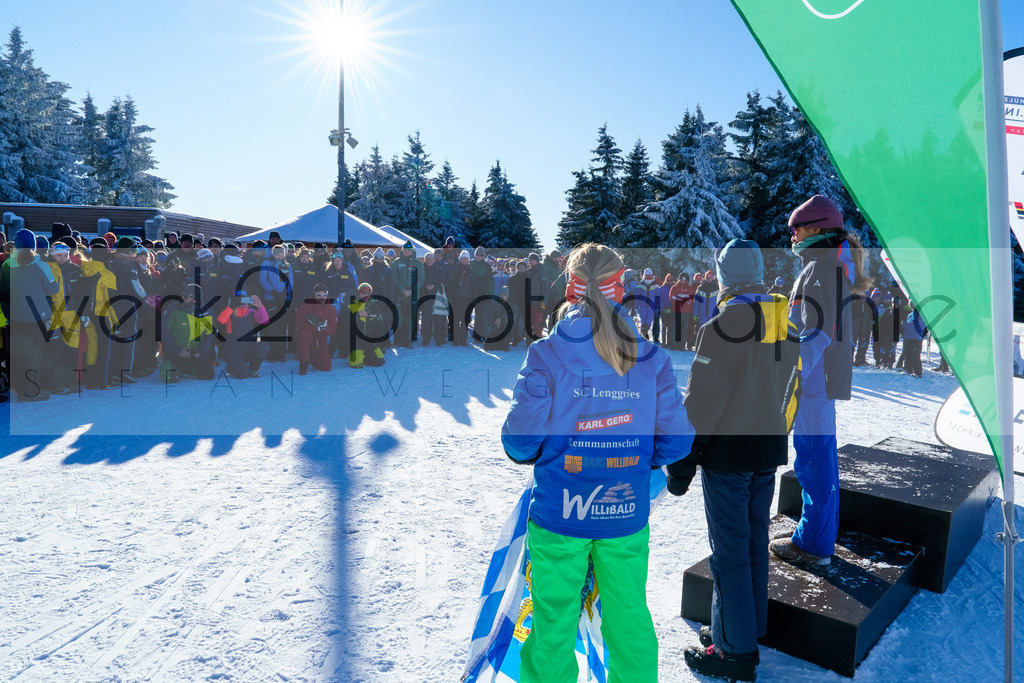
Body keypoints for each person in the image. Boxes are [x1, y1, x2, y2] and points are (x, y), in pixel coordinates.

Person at [501, 242, 694, 683]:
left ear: (571, 288)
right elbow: (677, 441)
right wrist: (638, 461)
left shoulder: (547, 354)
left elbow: (519, 443)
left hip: (559, 514)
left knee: (552, 624)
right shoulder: (651, 358)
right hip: (624, 514)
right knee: (629, 619)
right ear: (620, 287)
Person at [667, 240, 801, 683]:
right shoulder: (783, 320)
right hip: (765, 451)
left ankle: (735, 651)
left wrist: (682, 466)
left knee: (730, 553)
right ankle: (742, 627)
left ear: (724, 276)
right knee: (750, 544)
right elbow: (787, 392)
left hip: (730, 457)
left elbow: (703, 403)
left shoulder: (725, 323)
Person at [770, 195, 871, 566]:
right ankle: (814, 535)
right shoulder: (828, 265)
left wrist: (790, 379)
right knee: (816, 457)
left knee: (814, 461)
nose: (793, 235)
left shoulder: (820, 269)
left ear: (816, 229)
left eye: (797, 228)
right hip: (819, 377)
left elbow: (814, 334)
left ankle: (814, 543)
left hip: (813, 379)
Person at [216, 290, 270, 379]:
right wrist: (232, 306)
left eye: (245, 299)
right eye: (240, 299)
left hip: (248, 347)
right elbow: (221, 320)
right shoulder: (230, 311)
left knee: (263, 346)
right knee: (242, 375)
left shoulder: (250, 311)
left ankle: (253, 369)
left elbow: (265, 321)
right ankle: (233, 366)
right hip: (233, 349)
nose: (242, 302)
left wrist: (260, 306)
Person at [294, 283, 338, 375]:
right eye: (319, 295)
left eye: (324, 295)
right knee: (304, 336)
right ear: (314, 294)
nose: (322, 298)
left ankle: (311, 358)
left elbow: (333, 330)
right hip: (307, 336)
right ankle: (303, 362)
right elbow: (298, 325)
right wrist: (315, 327)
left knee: (326, 367)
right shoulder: (305, 305)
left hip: (320, 339)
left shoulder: (331, 309)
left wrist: (325, 327)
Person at [349, 282, 387, 367]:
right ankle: (357, 354)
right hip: (356, 340)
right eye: (363, 293)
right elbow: (345, 322)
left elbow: (381, 325)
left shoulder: (374, 307)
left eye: (368, 293)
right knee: (355, 363)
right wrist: (357, 313)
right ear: (359, 293)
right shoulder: (353, 304)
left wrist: (375, 339)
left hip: (369, 340)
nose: (365, 295)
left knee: (380, 361)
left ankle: (366, 356)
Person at [901, 305, 927, 378]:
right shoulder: (909, 314)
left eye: (913, 304)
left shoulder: (922, 314)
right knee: (907, 354)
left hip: (916, 338)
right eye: (911, 304)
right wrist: (903, 325)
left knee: (915, 355)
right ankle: (907, 369)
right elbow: (907, 324)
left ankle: (917, 372)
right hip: (907, 337)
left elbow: (921, 324)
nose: (912, 306)